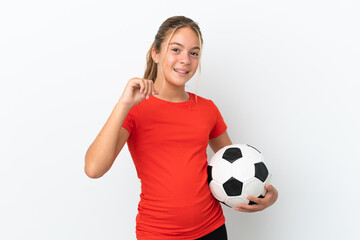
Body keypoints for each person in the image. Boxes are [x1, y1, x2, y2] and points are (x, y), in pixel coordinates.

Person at [84, 16, 278, 240]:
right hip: (157, 234)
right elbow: (94, 169)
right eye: (176, 49)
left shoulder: (207, 109)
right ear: (155, 53)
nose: (185, 59)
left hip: (212, 230)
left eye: (194, 53)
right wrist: (124, 104)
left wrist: (267, 194)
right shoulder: (134, 110)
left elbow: (236, 165)